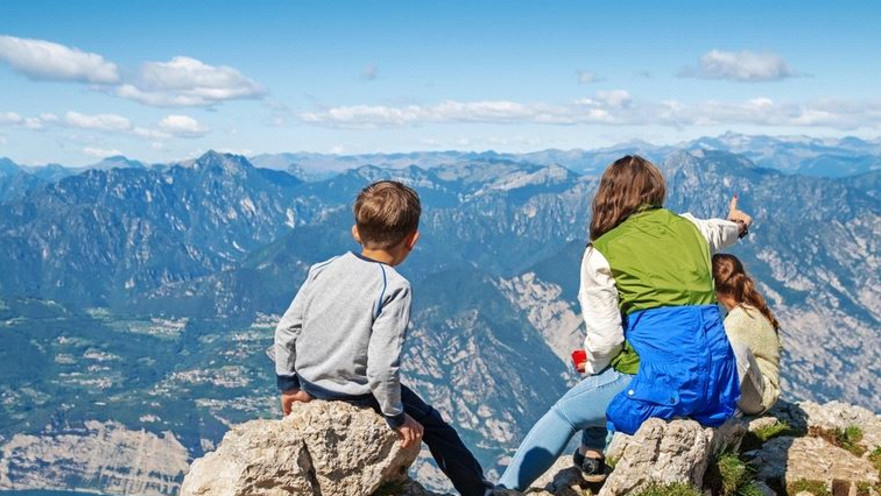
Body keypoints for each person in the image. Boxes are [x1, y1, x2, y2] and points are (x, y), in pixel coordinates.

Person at [497, 155, 751, 491]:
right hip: (716, 383)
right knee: (612, 367)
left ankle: (502, 490)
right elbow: (724, 231)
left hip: (663, 385)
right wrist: (739, 224)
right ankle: (592, 459)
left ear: (608, 197)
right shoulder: (692, 228)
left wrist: (590, 364)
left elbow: (605, 343)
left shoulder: (603, 252)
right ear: (656, 191)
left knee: (566, 411)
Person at [274, 180, 490, 496]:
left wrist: (288, 385)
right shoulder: (394, 287)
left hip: (309, 383)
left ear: (356, 232)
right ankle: (480, 491)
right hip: (357, 392)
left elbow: (286, 331)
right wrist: (397, 416)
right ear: (412, 240)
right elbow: (381, 369)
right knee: (437, 428)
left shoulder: (323, 268)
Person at [712, 253, 782, 415]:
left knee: (734, 351)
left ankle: (725, 410)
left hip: (758, 397)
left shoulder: (740, 319)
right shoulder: (747, 310)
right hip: (755, 391)